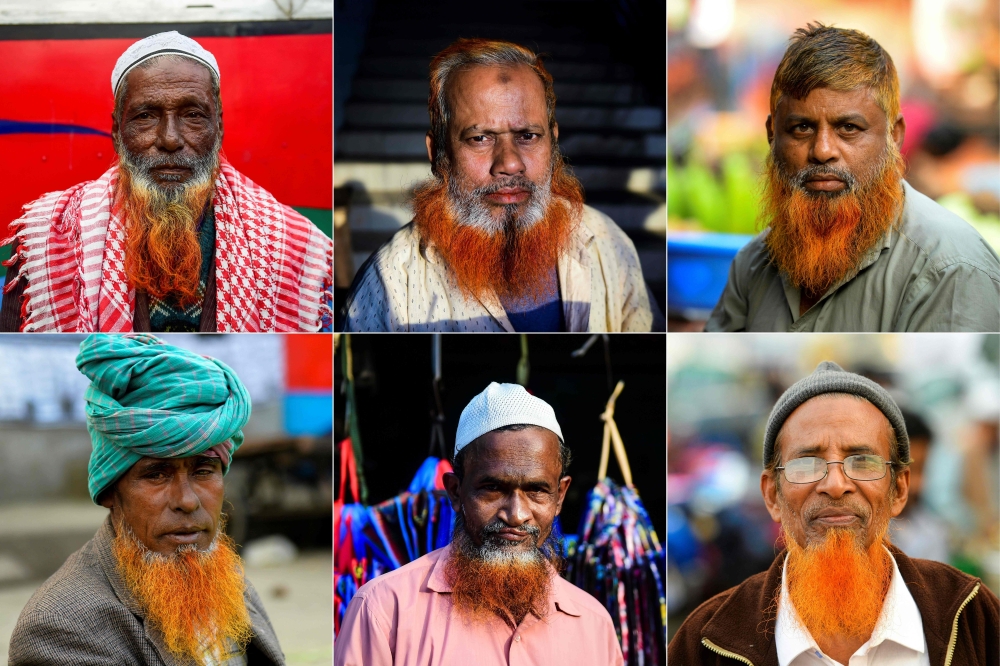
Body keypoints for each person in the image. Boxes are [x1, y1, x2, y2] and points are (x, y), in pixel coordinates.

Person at [668, 361, 999, 665]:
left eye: (863, 461)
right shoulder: (707, 639)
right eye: (807, 463)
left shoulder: (971, 613)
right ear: (772, 495)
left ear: (898, 490)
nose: (836, 484)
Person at [0, 31, 333, 333]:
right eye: (146, 116)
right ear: (117, 132)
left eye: (192, 115)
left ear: (218, 128)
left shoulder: (293, 245)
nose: (170, 139)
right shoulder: (49, 238)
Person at [341, 38, 659, 332]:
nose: (509, 163)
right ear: (438, 154)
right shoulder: (390, 284)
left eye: (528, 136)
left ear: (553, 141)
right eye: (479, 138)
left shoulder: (607, 242)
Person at [8, 334, 285, 665]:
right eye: (157, 475)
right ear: (111, 491)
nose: (187, 501)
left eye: (203, 471)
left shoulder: (224, 579)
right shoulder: (62, 628)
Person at [705, 24, 1000, 332]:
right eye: (801, 128)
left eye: (848, 128)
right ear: (771, 135)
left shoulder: (952, 272)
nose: (822, 151)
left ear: (894, 136)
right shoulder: (753, 264)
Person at [335, 382, 624, 665]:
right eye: (493, 488)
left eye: (536, 490)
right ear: (455, 491)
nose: (516, 515)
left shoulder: (594, 624)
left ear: (559, 496)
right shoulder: (385, 609)